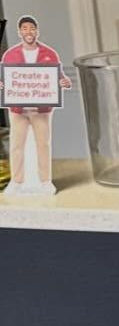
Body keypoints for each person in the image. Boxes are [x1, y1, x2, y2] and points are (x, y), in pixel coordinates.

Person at [1, 15, 71, 194]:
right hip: (18, 109)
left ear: (37, 31)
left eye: (32, 28)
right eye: (25, 29)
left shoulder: (49, 53)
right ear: (19, 32)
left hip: (41, 108)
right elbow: (5, 78)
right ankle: (16, 181)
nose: (29, 32)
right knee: (17, 145)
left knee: (43, 144)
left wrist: (63, 81)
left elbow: (58, 75)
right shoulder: (10, 55)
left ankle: (45, 180)